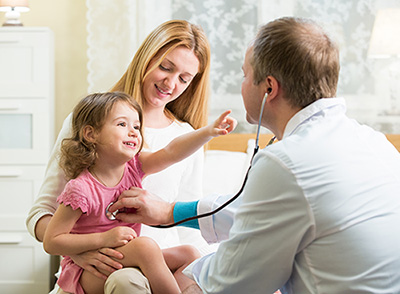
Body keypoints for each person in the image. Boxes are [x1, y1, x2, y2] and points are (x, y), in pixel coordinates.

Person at [108, 17, 400, 294]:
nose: (242, 84)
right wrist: (172, 211)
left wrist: (182, 268)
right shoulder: (376, 143)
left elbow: (232, 282)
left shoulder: (286, 162)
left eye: (245, 75)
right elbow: (257, 212)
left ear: (269, 88)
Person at [26, 20, 213, 293]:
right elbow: (41, 214)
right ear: (146, 58)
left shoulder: (185, 138)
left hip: (162, 266)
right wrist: (83, 249)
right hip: (102, 268)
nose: (171, 84)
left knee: (194, 263)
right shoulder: (88, 122)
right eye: (165, 67)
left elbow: (190, 229)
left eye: (184, 79)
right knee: (126, 280)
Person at [42, 91, 236, 294]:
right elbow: (52, 241)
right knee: (145, 247)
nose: (134, 132)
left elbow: (171, 152)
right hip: (88, 271)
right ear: (91, 134)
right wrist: (104, 239)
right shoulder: (80, 189)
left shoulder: (134, 167)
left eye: (136, 126)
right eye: (122, 124)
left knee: (188, 253)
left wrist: (208, 132)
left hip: (124, 257)